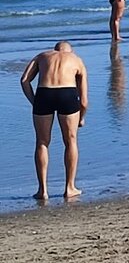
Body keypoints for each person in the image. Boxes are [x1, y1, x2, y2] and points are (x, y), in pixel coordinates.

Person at [21, 41, 88, 200]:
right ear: (70, 50)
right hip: (68, 95)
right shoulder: (76, 60)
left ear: (55, 49)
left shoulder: (42, 56)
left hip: (44, 94)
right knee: (71, 141)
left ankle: (42, 190)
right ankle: (69, 187)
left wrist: (34, 101)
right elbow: (84, 100)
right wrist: (81, 118)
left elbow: (24, 80)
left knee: (42, 142)